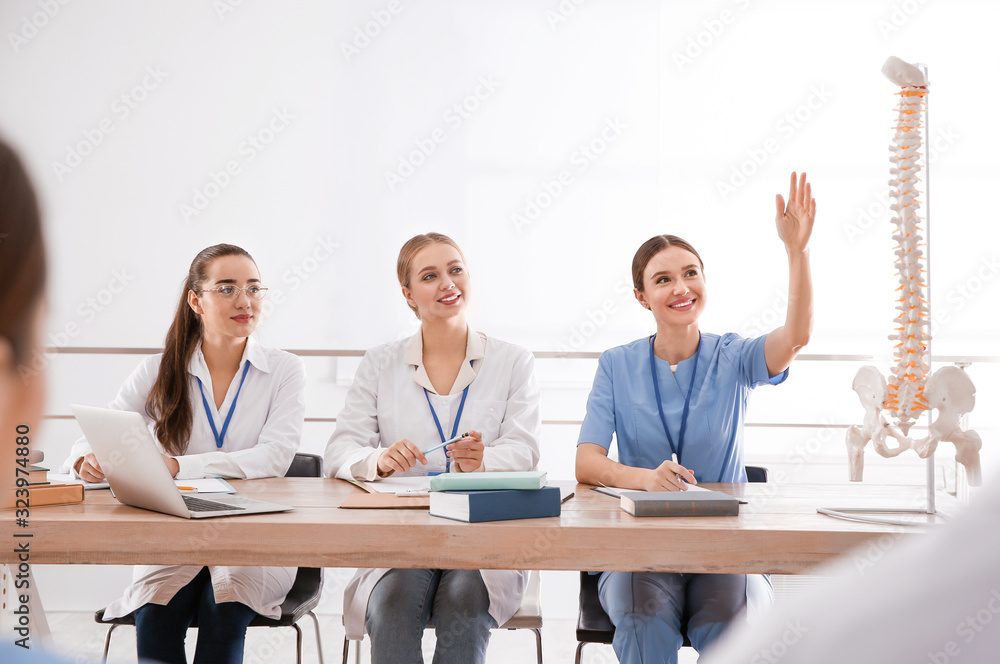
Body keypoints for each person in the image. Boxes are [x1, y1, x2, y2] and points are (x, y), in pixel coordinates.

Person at [575, 172, 816, 664]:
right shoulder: (616, 364)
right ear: (642, 297)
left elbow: (795, 337)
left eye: (691, 273)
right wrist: (646, 480)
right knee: (646, 626)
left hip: (726, 548)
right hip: (641, 548)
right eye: (663, 279)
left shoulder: (734, 356)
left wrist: (797, 250)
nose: (681, 287)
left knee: (727, 627)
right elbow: (587, 461)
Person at [64, 243, 306, 664]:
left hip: (255, 535)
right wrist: (87, 458)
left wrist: (178, 465)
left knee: (225, 615)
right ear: (196, 300)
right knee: (156, 617)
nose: (244, 301)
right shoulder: (160, 369)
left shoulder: (284, 369)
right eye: (227, 288)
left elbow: (275, 457)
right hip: (175, 531)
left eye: (253, 288)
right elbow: (103, 429)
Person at [325, 232, 541, 664]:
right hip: (403, 534)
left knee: (464, 605)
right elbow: (340, 450)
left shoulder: (513, 361)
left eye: (455, 269)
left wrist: (483, 462)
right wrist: (379, 460)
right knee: (390, 609)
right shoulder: (380, 363)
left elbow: (525, 451)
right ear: (408, 295)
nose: (448, 283)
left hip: (482, 536)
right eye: (430, 276)